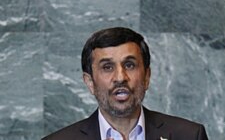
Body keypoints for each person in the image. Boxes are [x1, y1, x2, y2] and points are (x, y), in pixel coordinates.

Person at [42, 27, 209, 140]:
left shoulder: (190, 136)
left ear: (146, 77)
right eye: (107, 67)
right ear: (90, 82)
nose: (120, 77)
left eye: (129, 65)